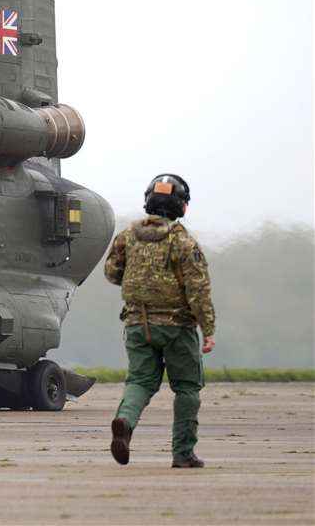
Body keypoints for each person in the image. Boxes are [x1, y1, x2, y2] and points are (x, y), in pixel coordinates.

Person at [103, 173, 216, 469]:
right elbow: (197, 289)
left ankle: (125, 422)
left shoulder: (127, 236)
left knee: (140, 381)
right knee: (187, 388)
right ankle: (183, 453)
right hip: (178, 327)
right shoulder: (182, 241)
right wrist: (209, 330)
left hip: (138, 324)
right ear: (181, 206)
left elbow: (112, 273)